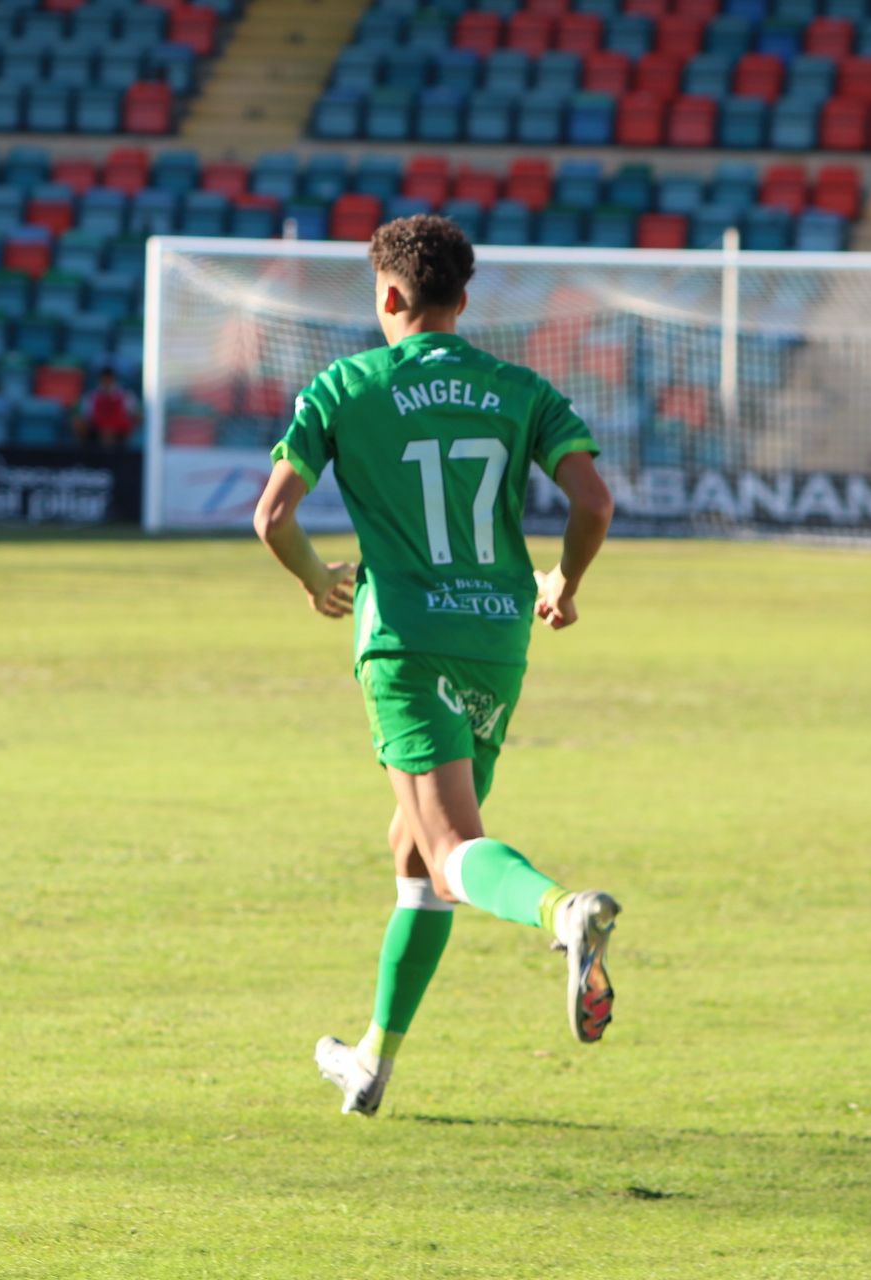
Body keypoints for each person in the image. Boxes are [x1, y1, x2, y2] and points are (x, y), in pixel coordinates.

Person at [252, 215, 620, 1117]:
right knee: (411, 844)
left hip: (407, 642)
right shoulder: (519, 389)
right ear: (463, 300)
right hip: (497, 639)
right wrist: (563, 584)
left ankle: (560, 912)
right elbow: (595, 501)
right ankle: (374, 1058)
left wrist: (314, 579)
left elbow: (271, 517)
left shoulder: (346, 385)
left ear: (387, 296)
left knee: (451, 846)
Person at [74, 368, 138, 451]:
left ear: (114, 380)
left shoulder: (126, 396)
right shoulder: (91, 396)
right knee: (77, 423)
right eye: (104, 380)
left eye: (109, 380)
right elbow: (85, 416)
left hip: (119, 429)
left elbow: (133, 415)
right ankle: (83, 452)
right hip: (97, 428)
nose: (107, 383)